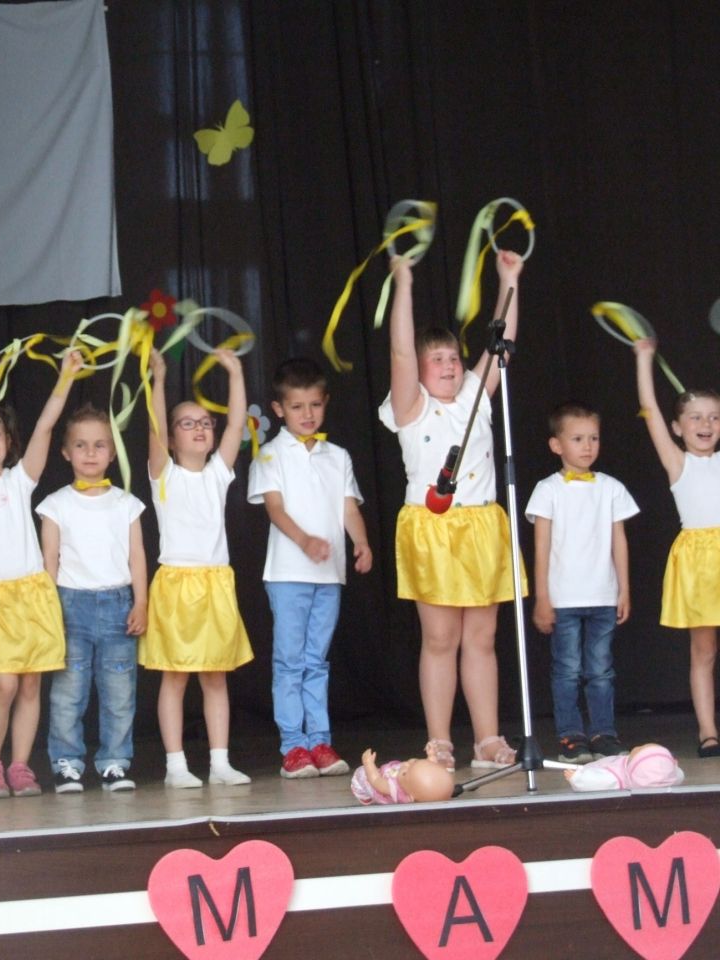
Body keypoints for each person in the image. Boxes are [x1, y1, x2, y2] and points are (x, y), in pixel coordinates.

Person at [377, 250, 523, 772]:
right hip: (434, 528)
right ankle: (438, 741)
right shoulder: (410, 408)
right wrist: (403, 283)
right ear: (419, 371)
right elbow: (400, 349)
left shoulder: (474, 398)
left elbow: (502, 342)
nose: (449, 365)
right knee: (440, 639)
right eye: (436, 359)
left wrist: (509, 279)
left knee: (482, 639)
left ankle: (487, 739)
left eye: (454, 358)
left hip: (482, 526)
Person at [0, 351, 79, 799]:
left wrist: (65, 377)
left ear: (8, 441)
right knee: (2, 685)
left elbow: (45, 427)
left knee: (29, 684)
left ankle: (20, 766)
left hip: (33, 593)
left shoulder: (19, 480)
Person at [247, 357, 371, 779]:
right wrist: (304, 541)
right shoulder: (270, 454)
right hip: (287, 575)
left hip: (329, 575)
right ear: (279, 409)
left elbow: (348, 506)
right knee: (289, 661)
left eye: (315, 405)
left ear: (325, 403)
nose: (307, 414)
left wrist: (361, 542)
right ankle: (293, 746)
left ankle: (320, 741)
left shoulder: (337, 456)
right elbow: (275, 509)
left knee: (317, 660)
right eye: (297, 406)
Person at [143, 347, 254, 788]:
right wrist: (159, 379)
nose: (200, 428)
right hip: (176, 585)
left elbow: (237, 424)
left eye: (205, 422)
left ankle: (220, 762)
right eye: (187, 423)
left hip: (215, 584)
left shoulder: (218, 473)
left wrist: (237, 374)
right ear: (171, 439)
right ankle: (175, 766)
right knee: (174, 678)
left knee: (215, 677)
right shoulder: (164, 474)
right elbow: (154, 426)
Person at [37, 403, 148, 793]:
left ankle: (115, 761)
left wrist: (141, 602)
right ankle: (66, 762)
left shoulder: (126, 502)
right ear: (65, 452)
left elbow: (137, 556)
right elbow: (49, 560)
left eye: (99, 445)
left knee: (119, 692)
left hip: (118, 603)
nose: (89, 453)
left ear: (112, 453)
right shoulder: (55, 504)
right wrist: (49, 609)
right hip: (71, 605)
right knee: (68, 692)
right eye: (80, 445)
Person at [525, 401, 638, 764]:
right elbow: (541, 548)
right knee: (568, 670)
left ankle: (604, 733)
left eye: (594, 438)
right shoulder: (548, 489)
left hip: (603, 595)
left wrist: (624, 589)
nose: (588, 446)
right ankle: (571, 736)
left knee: (601, 670)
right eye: (577, 439)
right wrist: (542, 598)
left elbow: (619, 541)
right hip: (564, 598)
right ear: (556, 445)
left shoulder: (611, 488)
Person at [633, 339, 720, 757]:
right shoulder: (678, 462)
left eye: (714, 417)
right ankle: (708, 732)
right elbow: (648, 408)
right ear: (677, 427)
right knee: (703, 651)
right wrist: (643, 360)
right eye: (695, 417)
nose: (706, 424)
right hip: (699, 563)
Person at [351, 745, 455, 804]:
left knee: (362, 773)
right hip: (388, 774)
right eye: (414, 762)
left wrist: (368, 764)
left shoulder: (394, 789)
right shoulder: (414, 785)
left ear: (410, 797)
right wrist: (431, 756)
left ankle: (364, 796)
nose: (406, 764)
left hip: (375, 785)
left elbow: (375, 780)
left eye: (405, 773)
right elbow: (430, 768)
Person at [564, 742, 683, 791]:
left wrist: (576, 778)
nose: (639, 746)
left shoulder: (616, 778)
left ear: (633, 764)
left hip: (594, 770)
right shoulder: (668, 777)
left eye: (641, 748)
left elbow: (593, 782)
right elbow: (676, 774)